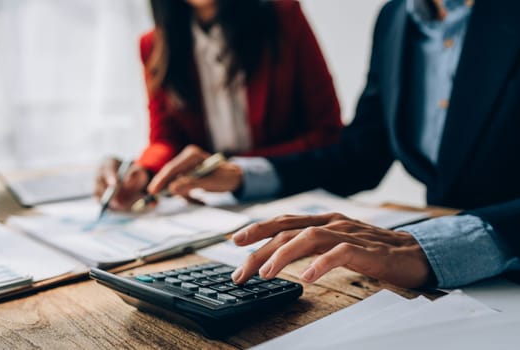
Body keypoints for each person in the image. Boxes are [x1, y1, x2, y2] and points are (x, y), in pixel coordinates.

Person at [149, 0, 520, 289]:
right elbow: (361, 155)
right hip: (448, 278)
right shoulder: (395, 18)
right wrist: (244, 175)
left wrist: (437, 244)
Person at [94, 0, 342, 210]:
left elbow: (328, 132)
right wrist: (144, 171)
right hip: (217, 210)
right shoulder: (154, 45)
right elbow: (166, 138)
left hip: (293, 198)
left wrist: (237, 170)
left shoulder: (283, 16)